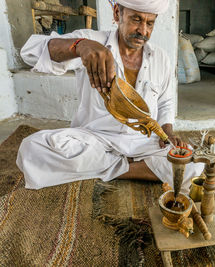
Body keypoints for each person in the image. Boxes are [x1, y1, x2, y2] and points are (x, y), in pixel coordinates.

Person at [16, 0, 204, 193]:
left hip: (143, 143)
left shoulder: (161, 58)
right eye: (136, 19)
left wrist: (168, 133)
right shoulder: (92, 42)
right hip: (95, 139)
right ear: (117, 13)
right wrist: (79, 46)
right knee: (32, 149)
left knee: (191, 162)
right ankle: (133, 167)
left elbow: (165, 102)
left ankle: (107, 168)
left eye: (150, 23)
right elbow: (29, 53)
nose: (143, 31)